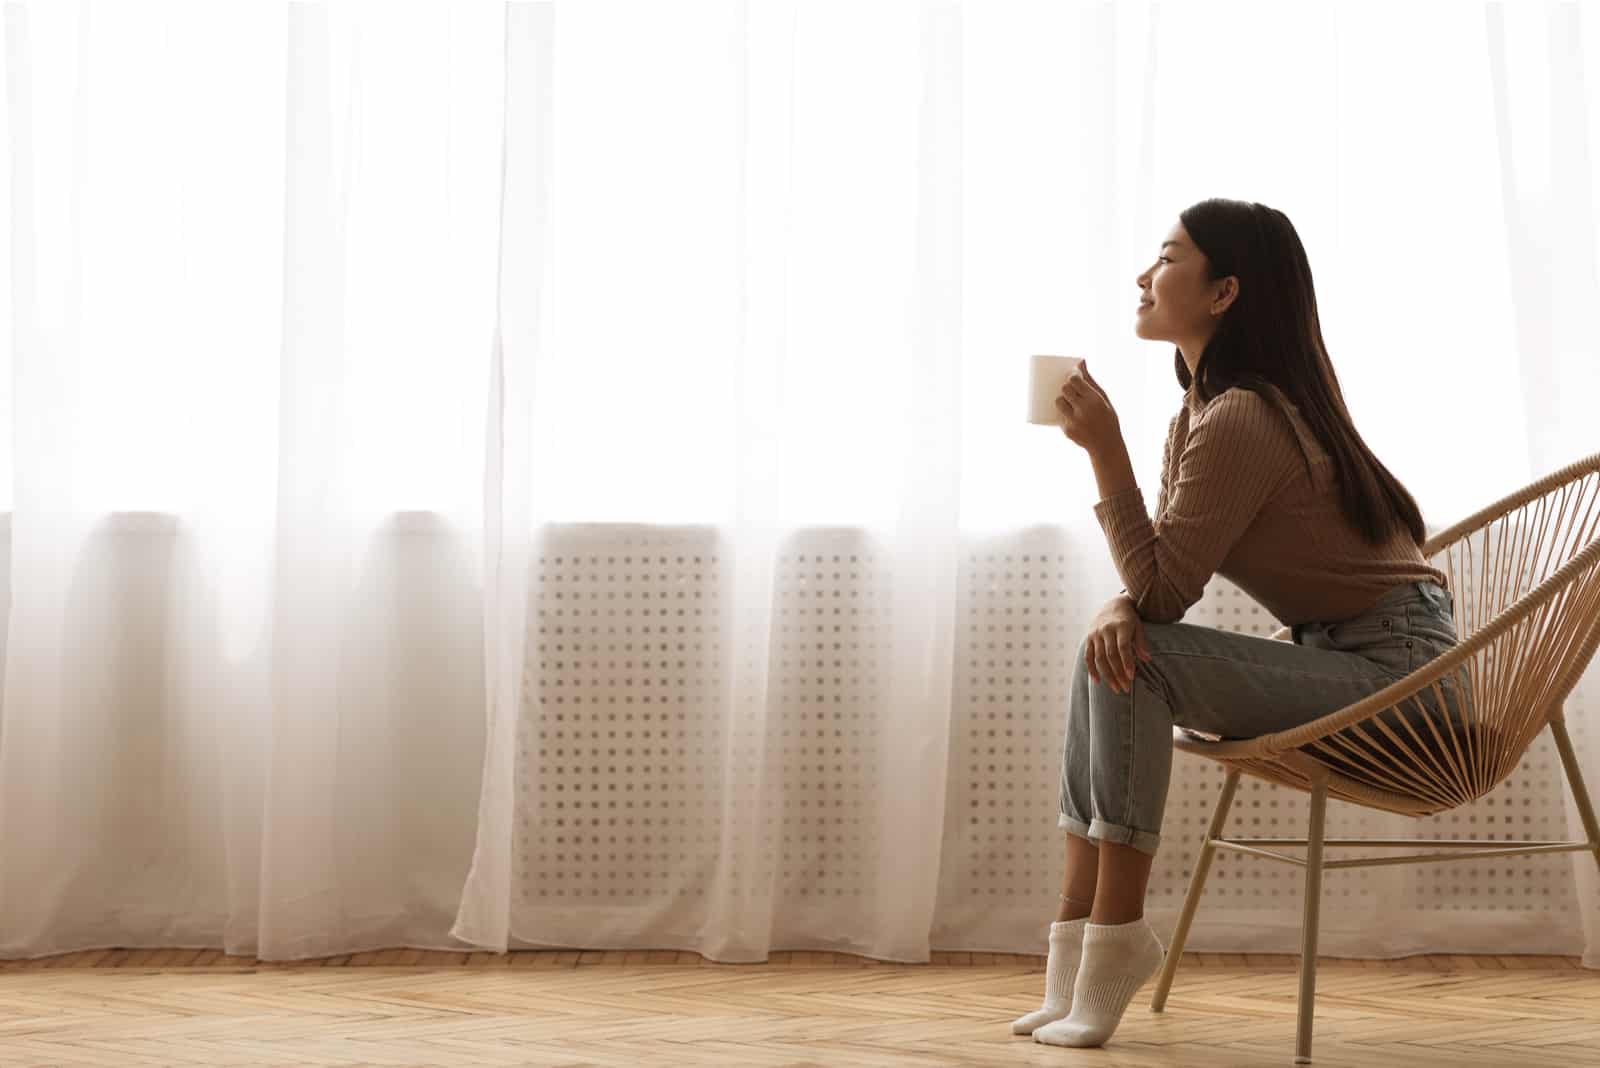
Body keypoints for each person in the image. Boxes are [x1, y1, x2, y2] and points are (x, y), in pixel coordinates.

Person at [1012, 198, 1465, 1049]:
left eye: (1166, 257)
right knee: (1110, 649)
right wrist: (1119, 604)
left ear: (1223, 293)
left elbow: (1163, 594)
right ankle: (1075, 959)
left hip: (1406, 685)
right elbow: (1150, 588)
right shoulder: (1204, 416)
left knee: (1133, 655)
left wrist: (1103, 450)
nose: (1143, 277)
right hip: (1352, 658)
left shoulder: (1242, 420)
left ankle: (1111, 945)